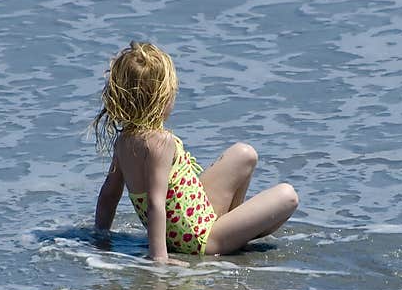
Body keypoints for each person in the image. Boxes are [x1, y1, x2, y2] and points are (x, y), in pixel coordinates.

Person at [91, 41, 298, 265]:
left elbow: (109, 195)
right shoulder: (161, 143)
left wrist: (101, 236)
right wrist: (159, 257)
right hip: (202, 240)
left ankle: (233, 227)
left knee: (244, 154)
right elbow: (155, 202)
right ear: (161, 98)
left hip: (193, 219)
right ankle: (232, 237)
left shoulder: (124, 141)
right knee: (288, 195)